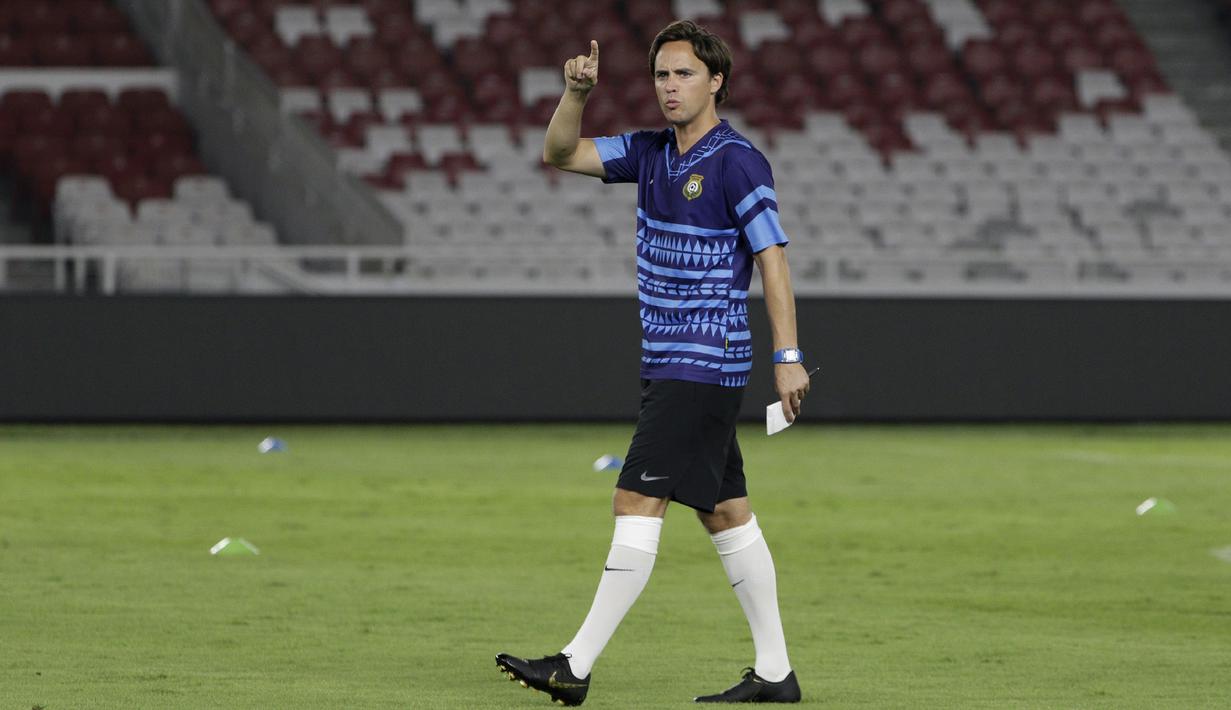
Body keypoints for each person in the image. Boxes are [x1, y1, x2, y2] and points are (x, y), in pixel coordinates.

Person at [496, 19, 809, 706]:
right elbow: (558, 154)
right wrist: (575, 93)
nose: (670, 87)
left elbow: (772, 257)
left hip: (702, 358)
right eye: (662, 76)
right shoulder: (648, 152)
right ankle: (776, 673)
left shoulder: (737, 161)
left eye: (685, 74)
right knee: (725, 512)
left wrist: (787, 356)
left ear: (715, 80)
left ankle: (573, 666)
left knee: (636, 497)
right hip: (668, 357)